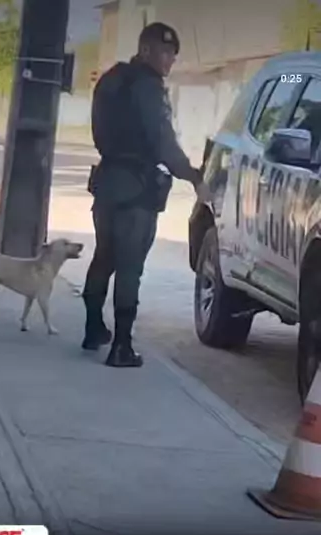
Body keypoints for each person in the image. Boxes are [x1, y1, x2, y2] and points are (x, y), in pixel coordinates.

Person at [82, 22, 212, 367]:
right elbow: (162, 140)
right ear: (145, 50)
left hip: (107, 181)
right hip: (136, 188)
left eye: (173, 54)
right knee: (129, 267)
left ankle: (93, 329)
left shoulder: (110, 79)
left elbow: (97, 129)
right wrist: (193, 176)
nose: (170, 60)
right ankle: (121, 346)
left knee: (103, 257)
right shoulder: (149, 87)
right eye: (164, 52)